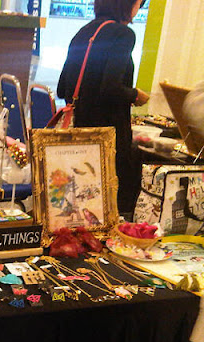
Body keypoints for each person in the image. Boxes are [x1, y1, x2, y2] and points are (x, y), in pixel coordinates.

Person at [57, 0, 149, 216]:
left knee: (83, 202)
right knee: (113, 204)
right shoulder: (123, 35)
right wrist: (135, 95)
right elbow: (110, 88)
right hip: (108, 137)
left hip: (80, 133)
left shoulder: (84, 32)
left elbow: (62, 89)